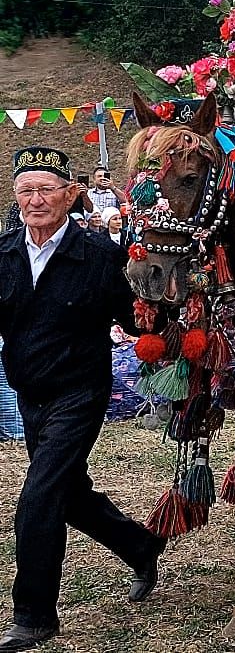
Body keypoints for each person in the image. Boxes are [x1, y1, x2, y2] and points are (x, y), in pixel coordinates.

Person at [0, 147, 164, 651]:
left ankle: (34, 614)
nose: (35, 200)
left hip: (81, 391)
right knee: (67, 492)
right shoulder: (3, 254)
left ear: (71, 195)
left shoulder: (101, 256)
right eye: (26, 189)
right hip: (30, 392)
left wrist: (166, 317)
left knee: (39, 497)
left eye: (46, 188)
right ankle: (140, 545)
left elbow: (139, 319)